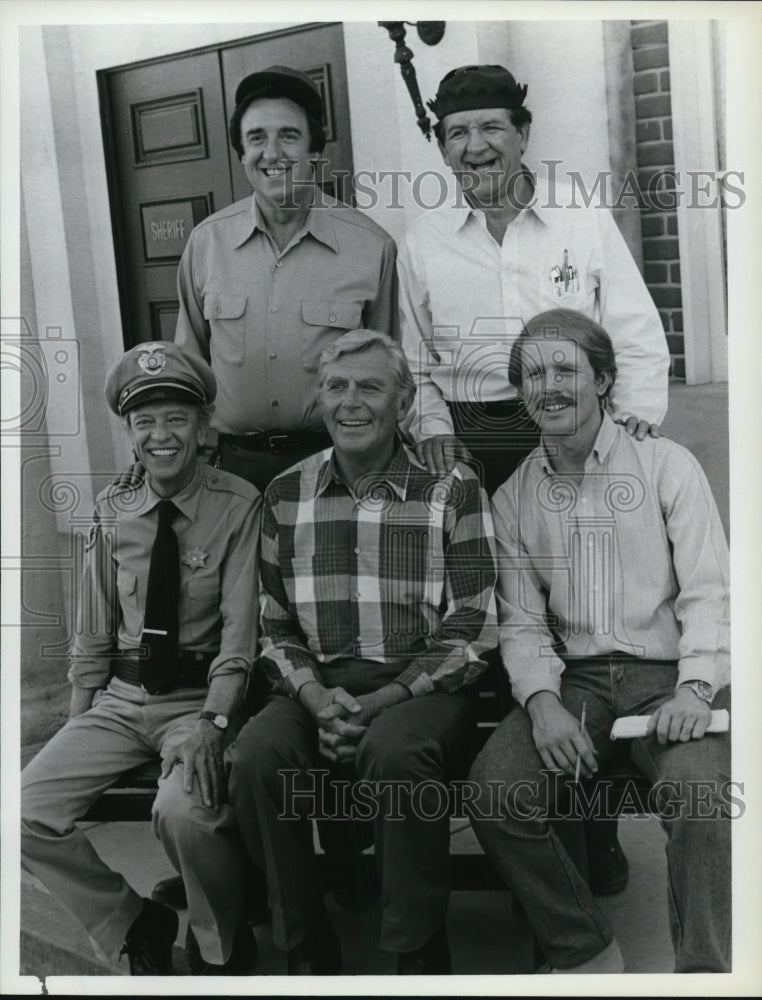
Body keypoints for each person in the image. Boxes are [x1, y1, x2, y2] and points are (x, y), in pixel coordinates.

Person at [226, 329, 497, 975]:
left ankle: (415, 948)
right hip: (318, 686)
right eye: (337, 387)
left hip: (420, 689)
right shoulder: (286, 494)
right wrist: (317, 698)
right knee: (258, 757)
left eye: (370, 387)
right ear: (319, 399)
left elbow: (472, 628)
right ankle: (304, 943)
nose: (351, 403)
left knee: (395, 753)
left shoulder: (451, 487)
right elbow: (276, 624)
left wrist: (382, 700)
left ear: (402, 403)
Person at [468, 308, 730, 973]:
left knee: (700, 800)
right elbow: (522, 623)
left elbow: (710, 591)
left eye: (565, 369)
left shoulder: (666, 465)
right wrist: (542, 702)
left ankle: (705, 974)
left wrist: (698, 688)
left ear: (604, 380)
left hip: (670, 678)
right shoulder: (513, 498)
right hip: (579, 683)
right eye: (533, 374)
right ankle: (583, 948)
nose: (549, 386)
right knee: (496, 793)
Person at [21, 342, 262, 975]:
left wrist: (214, 724)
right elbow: (94, 629)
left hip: (198, 702)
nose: (161, 435)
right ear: (128, 432)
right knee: (21, 812)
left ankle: (221, 942)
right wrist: (78, 718)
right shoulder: (112, 508)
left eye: (177, 418)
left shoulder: (238, 507)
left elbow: (240, 639)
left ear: (203, 426)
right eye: (145, 421)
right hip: (123, 703)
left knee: (184, 811)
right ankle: (130, 919)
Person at [398, 64, 670, 495]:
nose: (475, 146)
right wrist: (433, 430)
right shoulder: (422, 241)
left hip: (578, 424)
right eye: (457, 133)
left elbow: (635, 332)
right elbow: (414, 361)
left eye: (491, 127)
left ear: (522, 135)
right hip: (470, 441)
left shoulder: (580, 216)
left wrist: (632, 415)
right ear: (443, 149)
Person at [174, 64, 399, 492]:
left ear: (316, 150)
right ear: (241, 154)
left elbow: (390, 377)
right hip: (231, 474)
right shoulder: (206, 244)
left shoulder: (372, 248)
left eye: (289, 135)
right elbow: (188, 370)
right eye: (256, 138)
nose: (272, 153)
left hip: (338, 470)